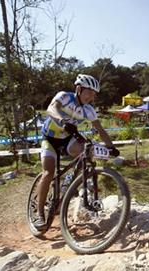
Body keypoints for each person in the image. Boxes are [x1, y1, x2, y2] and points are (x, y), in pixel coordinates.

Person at [33, 74, 119, 230]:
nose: (92, 96)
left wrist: (111, 147)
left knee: (86, 152)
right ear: (79, 89)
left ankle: (69, 184)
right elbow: (51, 108)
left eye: (94, 94)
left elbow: (100, 130)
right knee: (48, 173)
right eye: (89, 92)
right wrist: (62, 121)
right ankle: (39, 214)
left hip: (67, 139)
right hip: (50, 139)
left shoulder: (89, 110)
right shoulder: (65, 96)